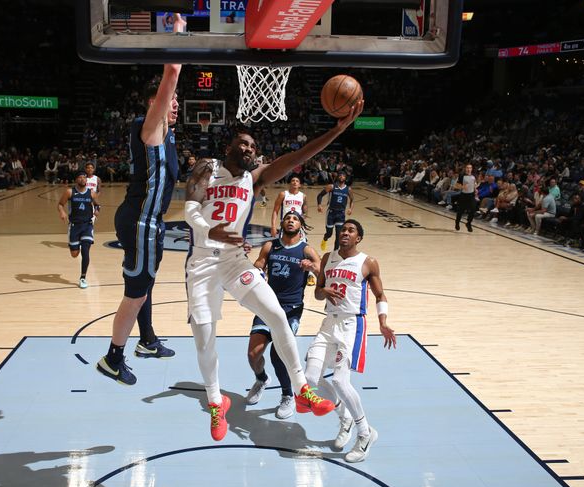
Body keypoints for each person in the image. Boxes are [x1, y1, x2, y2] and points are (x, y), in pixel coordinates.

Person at [184, 103, 363, 441]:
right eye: (244, 143)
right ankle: (214, 401)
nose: (249, 149)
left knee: (278, 317)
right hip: (203, 262)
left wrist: (337, 130)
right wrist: (210, 230)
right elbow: (190, 206)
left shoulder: (256, 178)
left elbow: (298, 155)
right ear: (230, 147)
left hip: (235, 261)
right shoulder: (209, 166)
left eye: (253, 146)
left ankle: (301, 390)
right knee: (205, 336)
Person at [96, 14, 185, 386]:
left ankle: (145, 341)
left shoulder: (167, 140)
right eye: (169, 101)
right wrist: (178, 37)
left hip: (148, 220)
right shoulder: (149, 130)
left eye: (178, 102)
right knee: (135, 293)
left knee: (142, 285)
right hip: (140, 221)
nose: (175, 104)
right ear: (154, 104)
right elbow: (170, 74)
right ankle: (113, 358)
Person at [304, 219, 396, 463]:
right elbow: (317, 291)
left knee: (340, 381)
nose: (345, 232)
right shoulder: (327, 258)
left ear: (359, 238)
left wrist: (383, 322)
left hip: (352, 325)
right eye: (343, 229)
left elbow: (380, 294)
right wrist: (324, 291)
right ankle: (343, 415)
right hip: (327, 324)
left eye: (351, 230)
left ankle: (365, 434)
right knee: (310, 379)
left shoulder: (368, 262)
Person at [245, 210, 320, 419]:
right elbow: (258, 265)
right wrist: (257, 269)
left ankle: (288, 395)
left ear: (300, 226)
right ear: (282, 223)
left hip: (290, 309)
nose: (291, 220)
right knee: (253, 354)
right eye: (288, 218)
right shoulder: (270, 246)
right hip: (268, 305)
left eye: (295, 219)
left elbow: (322, 272)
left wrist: (312, 267)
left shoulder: (306, 250)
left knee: (278, 356)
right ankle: (261, 379)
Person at [57, 171, 99, 288]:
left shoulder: (91, 193)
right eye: (80, 177)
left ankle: (83, 277)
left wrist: (97, 210)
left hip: (87, 225)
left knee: (86, 251)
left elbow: (97, 205)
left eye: (84, 177)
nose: (82, 179)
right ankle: (76, 245)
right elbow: (60, 204)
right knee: (75, 254)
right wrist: (62, 212)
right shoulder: (70, 192)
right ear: (76, 180)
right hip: (74, 226)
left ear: (86, 180)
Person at [316, 172, 353, 251]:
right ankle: (325, 239)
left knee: (339, 235)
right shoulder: (331, 186)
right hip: (331, 213)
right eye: (340, 175)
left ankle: (335, 253)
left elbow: (352, 200)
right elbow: (320, 195)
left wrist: (350, 208)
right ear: (338, 177)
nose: (341, 177)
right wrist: (319, 204)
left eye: (343, 176)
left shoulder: (348, 189)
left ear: (345, 178)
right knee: (329, 233)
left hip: (341, 214)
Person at [455, 163, 476, 232]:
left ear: (471, 169)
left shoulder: (474, 176)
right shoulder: (462, 176)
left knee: (473, 209)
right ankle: (457, 222)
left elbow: (473, 184)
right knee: (460, 211)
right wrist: (462, 187)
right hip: (464, 195)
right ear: (465, 169)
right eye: (467, 168)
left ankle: (468, 223)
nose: (468, 169)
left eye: (470, 168)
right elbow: (456, 185)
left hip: (471, 195)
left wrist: (475, 189)